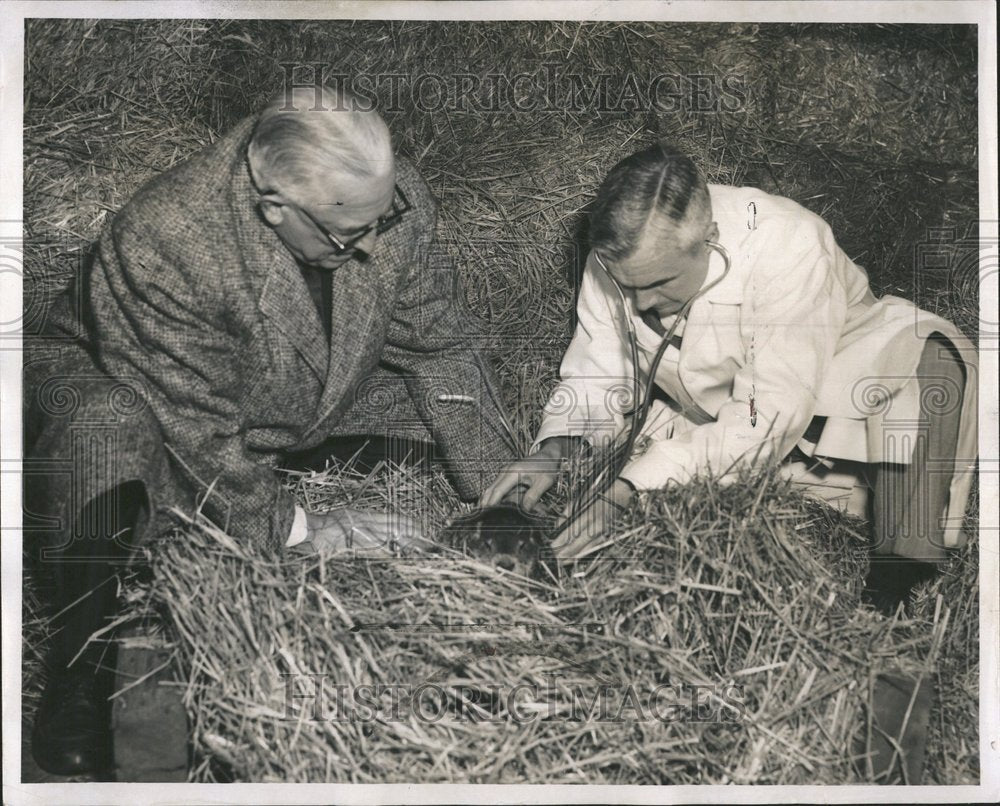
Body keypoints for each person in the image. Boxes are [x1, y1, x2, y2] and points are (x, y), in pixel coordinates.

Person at [24, 84, 515, 775]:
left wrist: (497, 481)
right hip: (145, 399)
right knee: (105, 433)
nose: (378, 244)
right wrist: (306, 529)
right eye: (353, 234)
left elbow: (439, 345)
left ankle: (280, 479)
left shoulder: (376, 197)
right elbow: (198, 437)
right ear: (274, 208)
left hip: (274, 389)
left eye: (386, 215)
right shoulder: (167, 238)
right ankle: (83, 666)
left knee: (431, 429)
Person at [483, 142, 977, 601]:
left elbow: (771, 412)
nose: (640, 303)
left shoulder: (791, 242)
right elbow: (599, 371)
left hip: (835, 379)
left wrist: (628, 489)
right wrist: (556, 450)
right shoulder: (618, 260)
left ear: (711, 238)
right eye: (624, 285)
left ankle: (894, 594)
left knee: (928, 373)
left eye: (658, 283)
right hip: (710, 411)